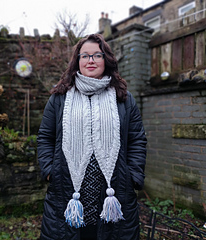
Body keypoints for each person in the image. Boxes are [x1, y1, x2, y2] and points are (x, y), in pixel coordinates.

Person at [37, 33, 147, 240]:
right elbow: (45, 136)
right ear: (77, 61)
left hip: (113, 192)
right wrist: (50, 171)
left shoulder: (123, 98)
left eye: (97, 55)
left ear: (107, 60)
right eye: (85, 55)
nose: (91, 60)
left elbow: (137, 139)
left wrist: (133, 175)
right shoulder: (59, 98)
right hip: (67, 190)